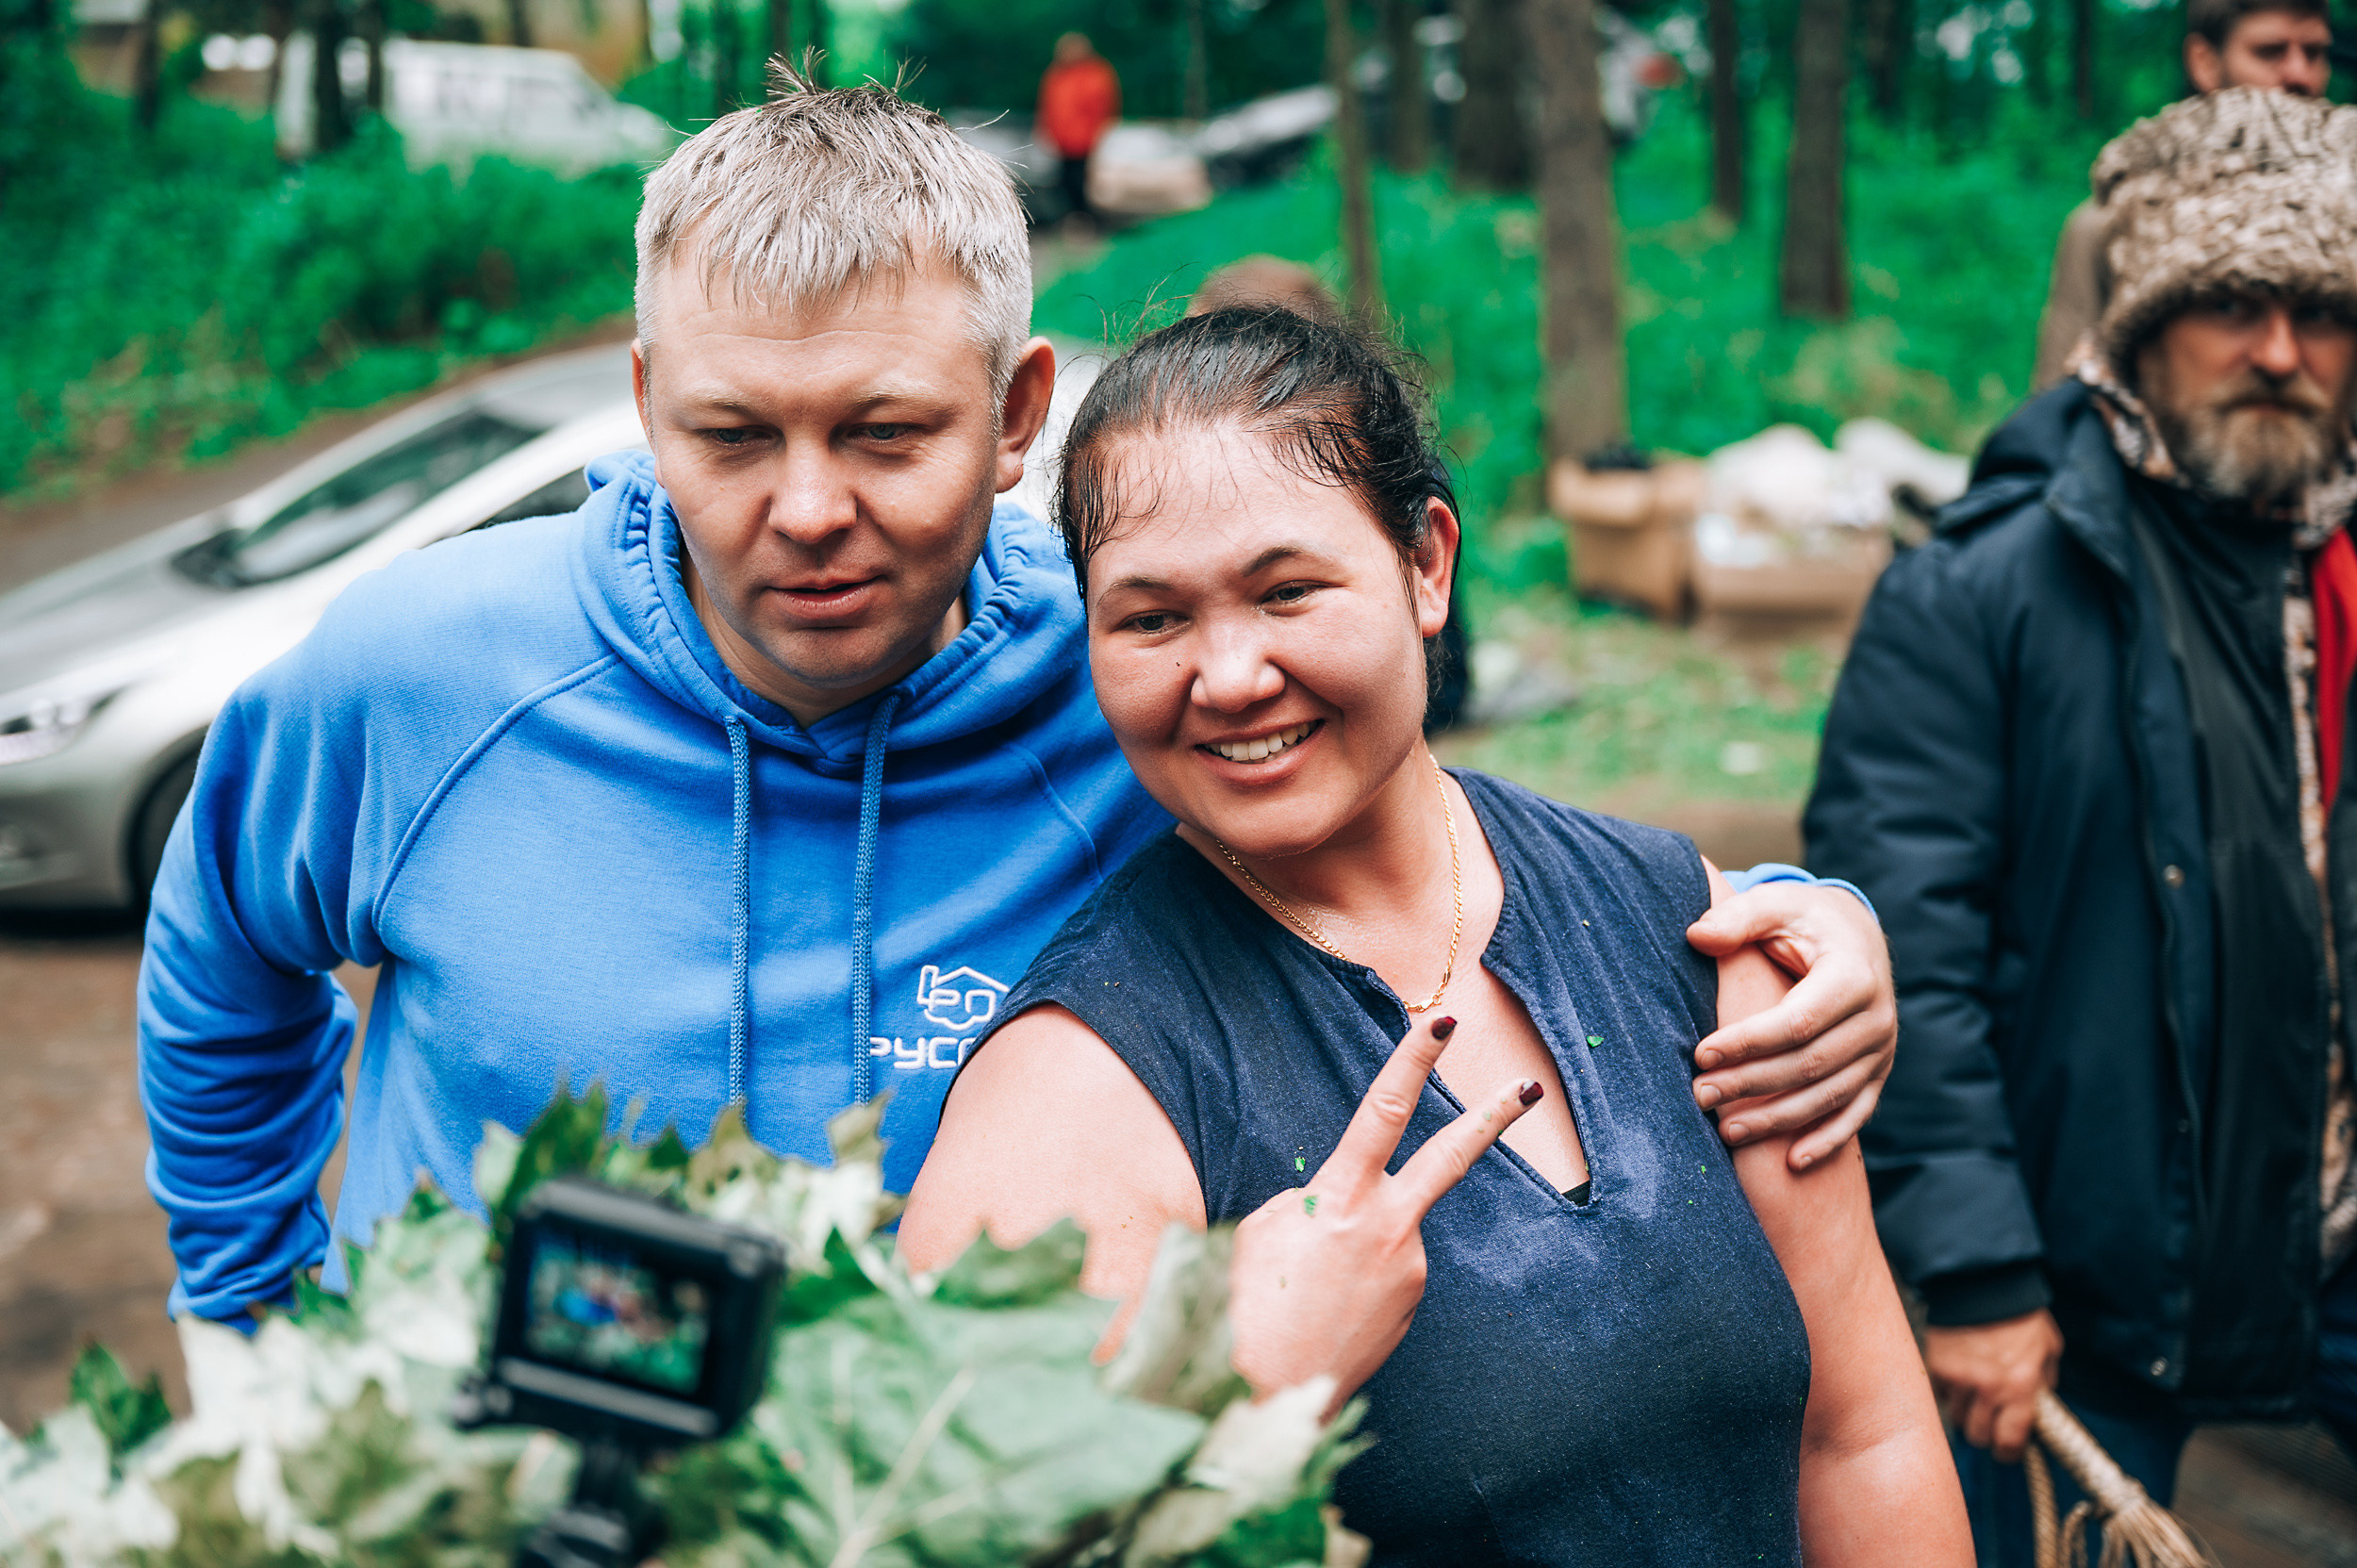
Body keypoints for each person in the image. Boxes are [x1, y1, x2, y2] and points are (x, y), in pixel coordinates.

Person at [139, 73, 1896, 1329]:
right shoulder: (425, 672)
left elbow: (1422, 844)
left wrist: (1798, 921)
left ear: (1015, 411)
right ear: (647, 400)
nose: (807, 506)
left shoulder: (1138, 679)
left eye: (885, 431)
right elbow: (224, 942)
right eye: (732, 435)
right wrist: (252, 1315)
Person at [902, 306, 1970, 1564]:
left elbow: (1862, 1434)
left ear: (1428, 565)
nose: (1230, 671)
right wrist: (1228, 1381)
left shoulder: (1682, 925)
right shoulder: (1080, 1085)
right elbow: (971, 1535)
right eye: (1151, 617)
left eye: (1288, 588)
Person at [1808, 88, 2357, 1565]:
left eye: (2320, 309)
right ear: (2138, 323)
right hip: (2095, 1274)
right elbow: (1900, 949)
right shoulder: (1982, 595)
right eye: (2230, 305)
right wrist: (1979, 1271)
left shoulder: (2339, 572)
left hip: (2328, 1228)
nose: (2280, 352)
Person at [2030, 0, 2332, 388]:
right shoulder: (2111, 227)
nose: (2299, 75)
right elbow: (2053, 422)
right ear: (2204, 61)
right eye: (2270, 52)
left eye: (2314, 53)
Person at [1035, 32, 1119, 226]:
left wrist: (1095, 134)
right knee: (1063, 180)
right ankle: (1072, 217)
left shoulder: (1096, 73)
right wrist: (1046, 131)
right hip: (1062, 141)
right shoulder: (1056, 75)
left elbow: (1102, 108)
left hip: (1085, 140)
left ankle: (1086, 218)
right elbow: (1047, 106)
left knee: (1082, 180)